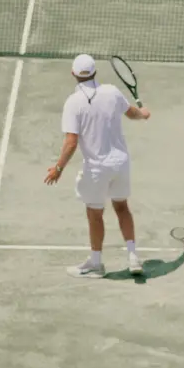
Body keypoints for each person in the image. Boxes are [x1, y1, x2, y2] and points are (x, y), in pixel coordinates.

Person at [44, 53, 151, 279]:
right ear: (95, 72)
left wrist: (58, 168)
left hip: (97, 169)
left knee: (95, 214)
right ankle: (133, 256)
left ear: (73, 74)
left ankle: (96, 263)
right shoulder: (112, 92)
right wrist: (143, 114)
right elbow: (132, 113)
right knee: (122, 207)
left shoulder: (73, 103)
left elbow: (71, 142)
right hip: (120, 164)